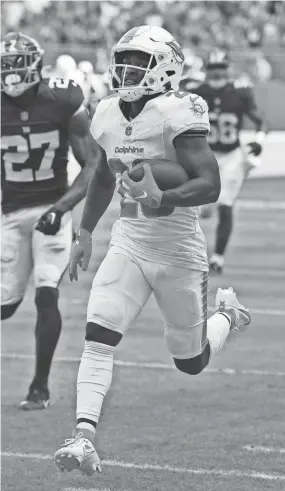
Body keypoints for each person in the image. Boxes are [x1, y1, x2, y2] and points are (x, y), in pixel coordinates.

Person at [54, 26, 251, 475]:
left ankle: (228, 315)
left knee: (191, 361)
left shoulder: (177, 112)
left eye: (138, 61)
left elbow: (210, 184)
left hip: (179, 249)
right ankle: (84, 437)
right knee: (98, 335)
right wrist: (84, 232)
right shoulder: (106, 111)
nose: (125, 68)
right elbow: (105, 172)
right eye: (123, 58)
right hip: (130, 240)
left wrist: (164, 198)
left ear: (164, 67)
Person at [1, 32, 97, 410]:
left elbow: (91, 165)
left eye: (15, 65)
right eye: (5, 66)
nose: (10, 74)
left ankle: (39, 387)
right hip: (10, 213)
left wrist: (61, 208)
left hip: (51, 207)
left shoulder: (62, 99)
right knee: (6, 306)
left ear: (35, 66)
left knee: (46, 291)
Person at [192, 50, 267, 273]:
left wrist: (258, 141)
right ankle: (190, 252)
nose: (216, 73)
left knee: (225, 204)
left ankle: (218, 258)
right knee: (199, 209)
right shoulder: (197, 93)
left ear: (226, 69)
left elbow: (260, 121)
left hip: (232, 156)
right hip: (205, 155)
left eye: (220, 68)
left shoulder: (240, 93)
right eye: (213, 68)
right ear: (207, 70)